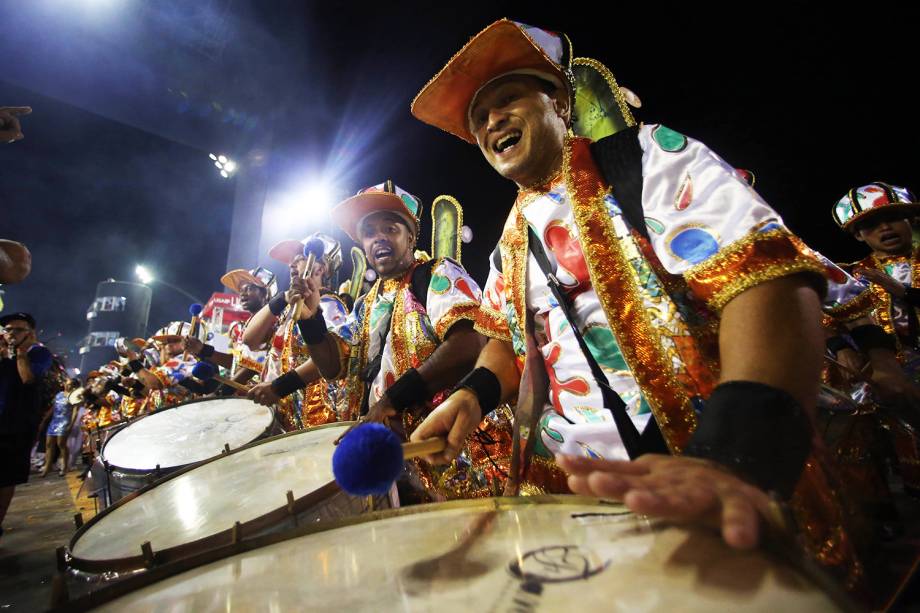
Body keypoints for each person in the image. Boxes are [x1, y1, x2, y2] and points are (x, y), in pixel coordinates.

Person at [409, 19, 830, 549]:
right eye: (478, 120)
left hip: (701, 465)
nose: (492, 121)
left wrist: (735, 456)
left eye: (507, 98)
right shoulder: (508, 243)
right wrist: (470, 397)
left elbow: (765, 278)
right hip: (577, 501)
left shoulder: (649, 159)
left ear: (559, 102)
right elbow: (509, 344)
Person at [295, 181, 512, 499]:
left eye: (390, 228)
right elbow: (332, 366)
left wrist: (391, 401)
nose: (378, 238)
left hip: (454, 455)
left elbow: (470, 344)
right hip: (400, 460)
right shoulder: (366, 304)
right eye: (369, 232)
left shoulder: (438, 274)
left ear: (410, 237)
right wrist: (311, 318)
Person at [244, 234, 348, 430]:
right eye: (290, 261)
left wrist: (280, 387)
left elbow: (334, 358)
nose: (292, 265)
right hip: (283, 418)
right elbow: (250, 339)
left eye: (299, 258)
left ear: (321, 267)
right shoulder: (288, 309)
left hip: (314, 420)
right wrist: (282, 298)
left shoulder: (331, 305)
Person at [0, 312, 53, 538]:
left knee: (6, 477)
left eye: (18, 330)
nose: (12, 334)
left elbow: (28, 378)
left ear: (30, 334)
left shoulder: (39, 353)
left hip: (17, 425)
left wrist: (19, 353)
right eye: (8, 330)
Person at [183, 267, 274, 388]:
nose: (242, 293)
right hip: (245, 397)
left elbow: (255, 366)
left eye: (249, 288)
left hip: (265, 397)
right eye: (240, 290)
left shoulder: (273, 322)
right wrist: (202, 349)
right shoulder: (239, 327)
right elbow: (236, 363)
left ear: (266, 293)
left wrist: (222, 393)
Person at [41, 378, 79, 477]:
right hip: (54, 421)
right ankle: (47, 467)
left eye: (70, 384)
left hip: (64, 422)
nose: (68, 386)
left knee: (61, 444)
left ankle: (65, 466)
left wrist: (71, 424)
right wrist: (45, 419)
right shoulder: (59, 395)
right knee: (49, 444)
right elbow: (53, 408)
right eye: (67, 383)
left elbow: (75, 412)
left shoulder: (74, 397)